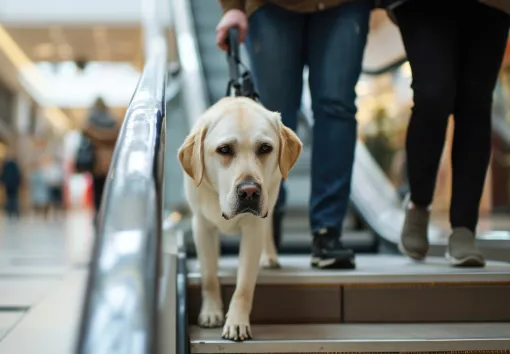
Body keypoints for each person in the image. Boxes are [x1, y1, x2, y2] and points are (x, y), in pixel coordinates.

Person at [216, 0, 372, 269]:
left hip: (345, 5)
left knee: (337, 109)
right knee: (271, 117)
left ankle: (328, 231)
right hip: (271, 6)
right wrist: (233, 6)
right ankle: (266, 218)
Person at [387, 0, 510, 267]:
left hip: (492, 5)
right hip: (421, 7)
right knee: (432, 95)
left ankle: (464, 228)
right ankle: (418, 203)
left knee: (475, 102)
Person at [83, 97, 121, 219]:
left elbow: (86, 132)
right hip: (111, 161)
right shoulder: (113, 122)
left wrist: (94, 136)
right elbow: (117, 135)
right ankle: (108, 215)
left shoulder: (91, 122)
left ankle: (98, 214)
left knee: (97, 190)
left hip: (97, 162)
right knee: (110, 189)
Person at [0, 153, 22, 218]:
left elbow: (3, 175)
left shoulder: (6, 165)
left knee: (9, 198)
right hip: (14, 185)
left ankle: (10, 211)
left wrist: (4, 182)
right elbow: (18, 175)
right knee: (14, 198)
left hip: (8, 184)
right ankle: (14, 211)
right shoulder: (15, 165)